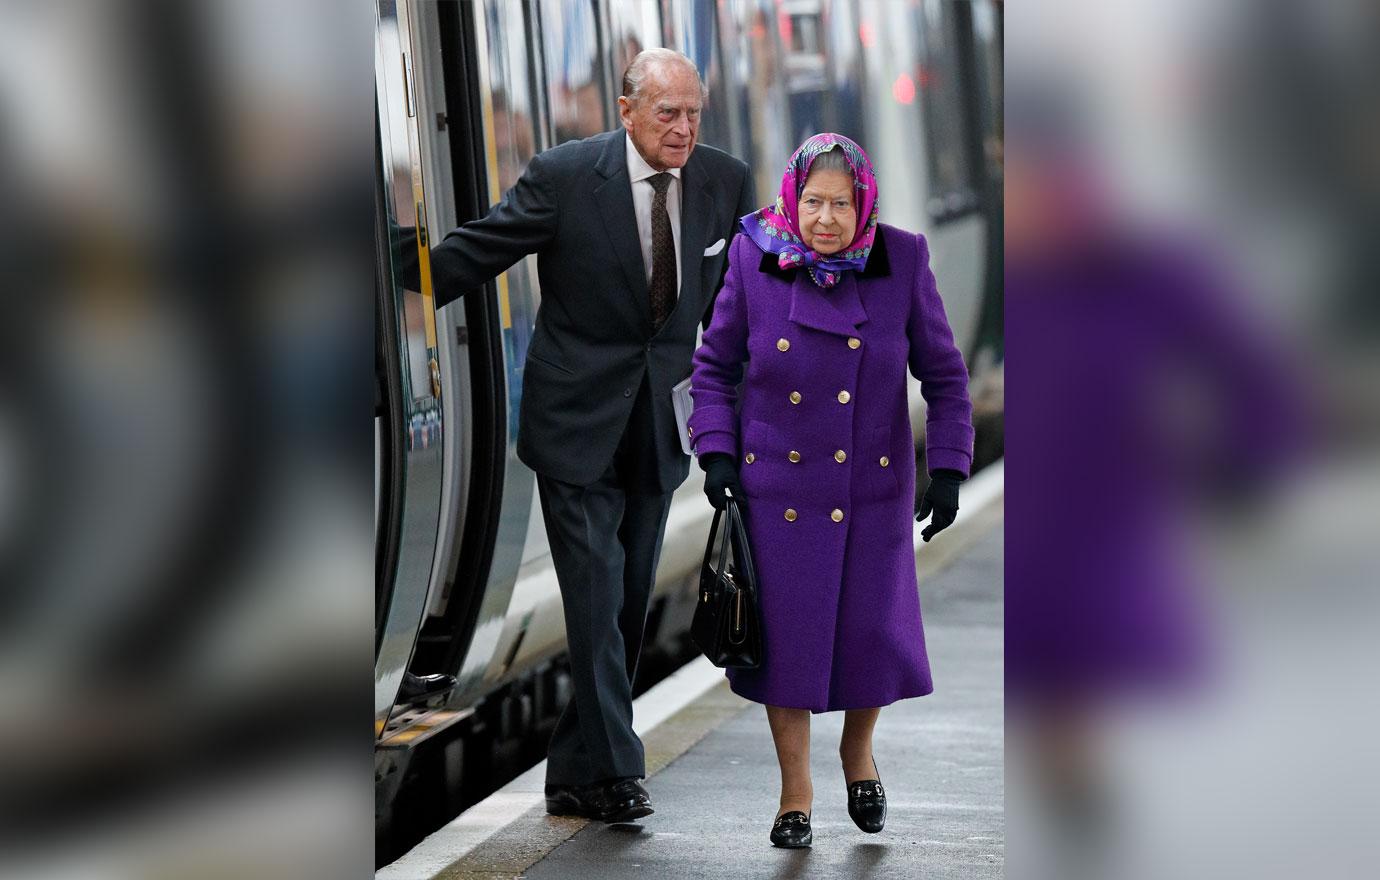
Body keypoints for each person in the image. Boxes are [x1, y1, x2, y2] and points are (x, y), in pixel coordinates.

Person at [428, 49, 754, 823]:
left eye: (693, 113)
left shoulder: (724, 181)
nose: (683, 129)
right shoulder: (568, 175)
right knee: (596, 589)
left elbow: (738, 312)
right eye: (668, 113)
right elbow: (476, 252)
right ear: (627, 110)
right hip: (574, 423)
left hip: (659, 428)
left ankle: (576, 771)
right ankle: (617, 769)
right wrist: (384, 278)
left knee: (629, 597)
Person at [687, 133, 974, 847]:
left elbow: (944, 376)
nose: (824, 219)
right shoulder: (755, 257)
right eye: (813, 203)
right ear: (793, 200)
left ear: (863, 205)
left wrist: (948, 467)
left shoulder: (901, 258)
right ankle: (795, 795)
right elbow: (714, 367)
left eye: (840, 205)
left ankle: (858, 752)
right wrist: (716, 453)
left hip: (872, 489)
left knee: (868, 638)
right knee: (784, 649)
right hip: (776, 488)